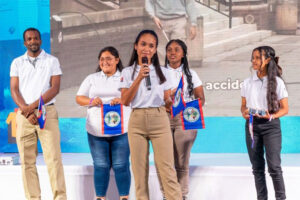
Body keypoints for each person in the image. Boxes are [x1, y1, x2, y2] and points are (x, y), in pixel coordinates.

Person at [119, 29, 182, 200]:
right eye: (143, 44)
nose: (147, 49)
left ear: (155, 50)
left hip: (159, 119)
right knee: (139, 173)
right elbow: (125, 100)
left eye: (151, 46)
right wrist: (139, 77)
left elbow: (167, 101)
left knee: (167, 170)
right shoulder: (127, 72)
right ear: (136, 46)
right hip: (137, 120)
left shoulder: (164, 72)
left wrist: (173, 100)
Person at [10, 27, 67, 200]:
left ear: (40, 40)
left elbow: (55, 88)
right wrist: (26, 112)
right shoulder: (17, 63)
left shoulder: (52, 61)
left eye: (36, 38)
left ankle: (60, 197)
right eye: (29, 39)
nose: (33, 41)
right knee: (27, 162)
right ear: (24, 42)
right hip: (24, 116)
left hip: (46, 113)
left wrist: (32, 107)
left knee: (54, 160)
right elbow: (14, 90)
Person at [76, 46, 131, 200]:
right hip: (96, 132)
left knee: (121, 165)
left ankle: (124, 197)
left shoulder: (125, 78)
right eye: (102, 59)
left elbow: (134, 97)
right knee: (101, 166)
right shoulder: (91, 78)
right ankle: (100, 197)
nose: (105, 62)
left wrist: (121, 100)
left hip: (122, 130)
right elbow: (79, 98)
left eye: (109, 59)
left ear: (117, 60)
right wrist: (92, 101)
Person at [241, 46, 288, 200]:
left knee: (274, 167)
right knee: (257, 168)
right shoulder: (247, 82)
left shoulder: (277, 83)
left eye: (257, 58)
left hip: (271, 127)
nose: (253, 61)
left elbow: (285, 109)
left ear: (267, 60)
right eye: (252, 57)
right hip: (252, 126)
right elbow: (243, 105)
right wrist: (244, 112)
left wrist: (272, 116)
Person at [161, 39, 205, 200]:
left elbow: (201, 98)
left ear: (183, 54)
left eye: (176, 49)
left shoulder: (191, 74)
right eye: (169, 50)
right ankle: (167, 195)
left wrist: (186, 105)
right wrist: (167, 98)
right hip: (163, 117)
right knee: (164, 160)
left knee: (181, 160)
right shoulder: (158, 73)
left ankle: (181, 195)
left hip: (184, 118)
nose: (172, 52)